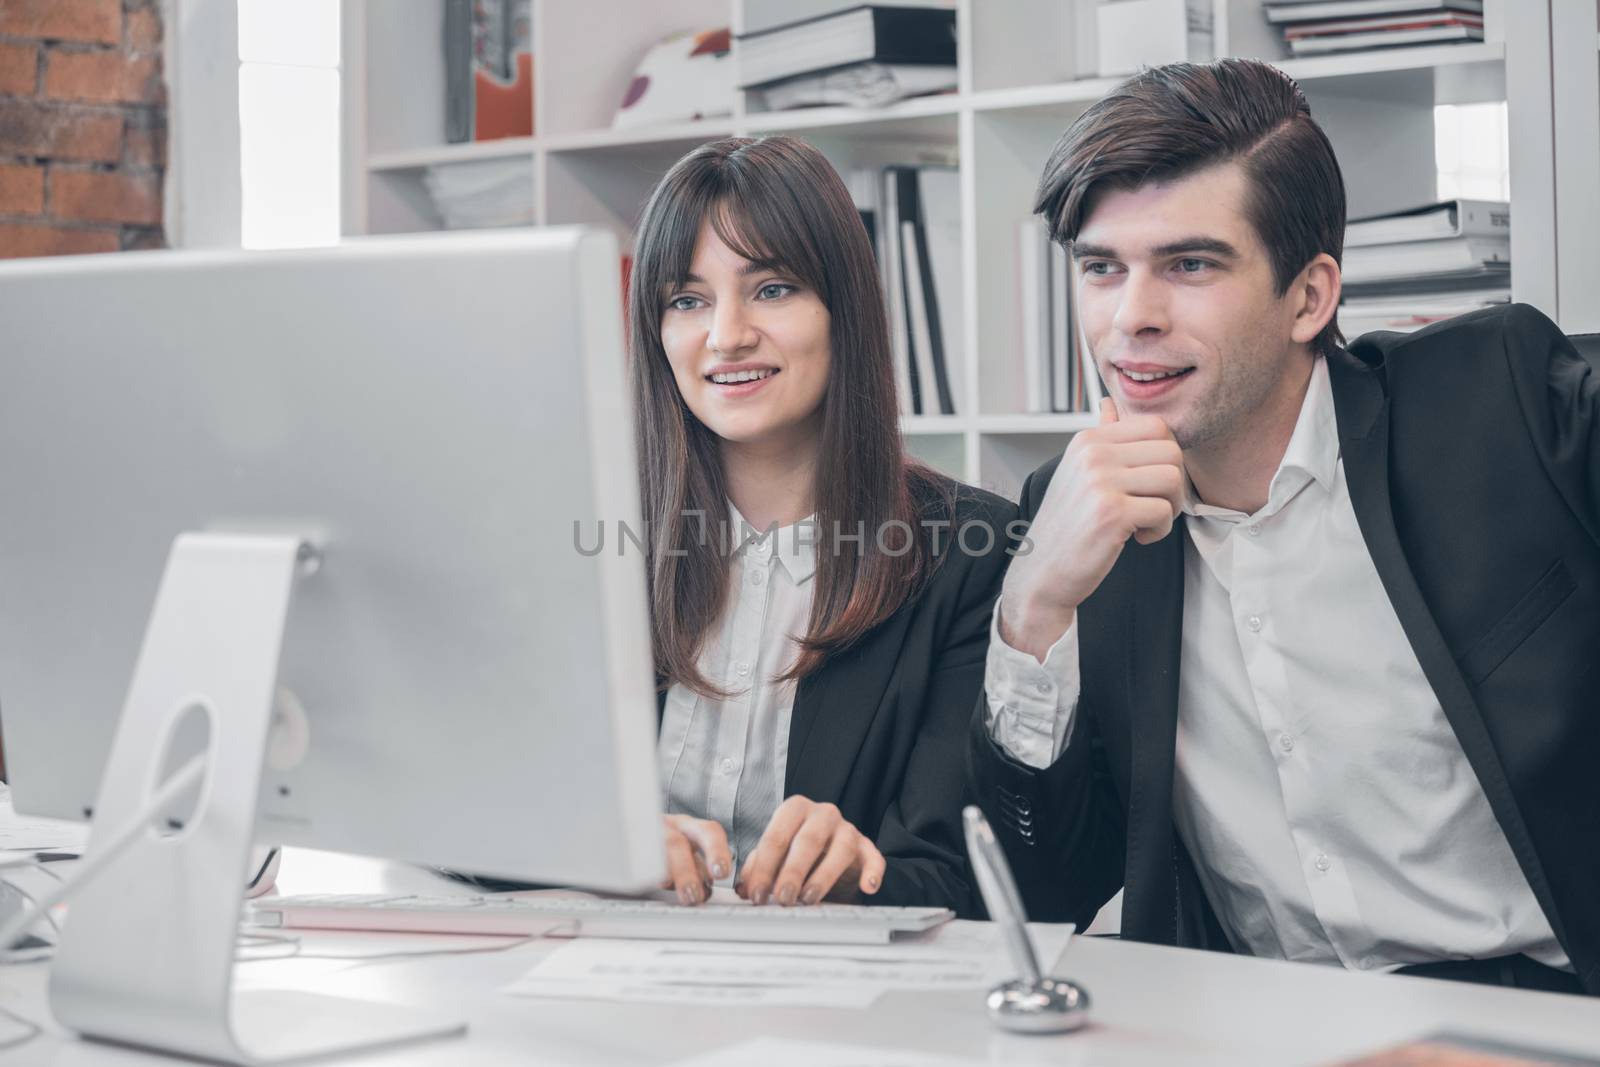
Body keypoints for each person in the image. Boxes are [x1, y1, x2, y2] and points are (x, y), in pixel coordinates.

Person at [971, 58, 1597, 995]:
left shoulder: (1499, 399)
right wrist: (1032, 606)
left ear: (1310, 295)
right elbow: (1049, 887)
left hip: (1551, 1009)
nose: (1130, 318)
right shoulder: (1070, 516)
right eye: (1102, 268)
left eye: (1189, 265)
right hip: (1264, 1022)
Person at [630, 134, 1015, 915]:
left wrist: (858, 871)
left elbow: (967, 879)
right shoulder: (597, 545)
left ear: (845, 309)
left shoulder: (971, 556)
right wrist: (607, 847)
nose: (727, 334)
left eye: (771, 289)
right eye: (687, 299)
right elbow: (476, 814)